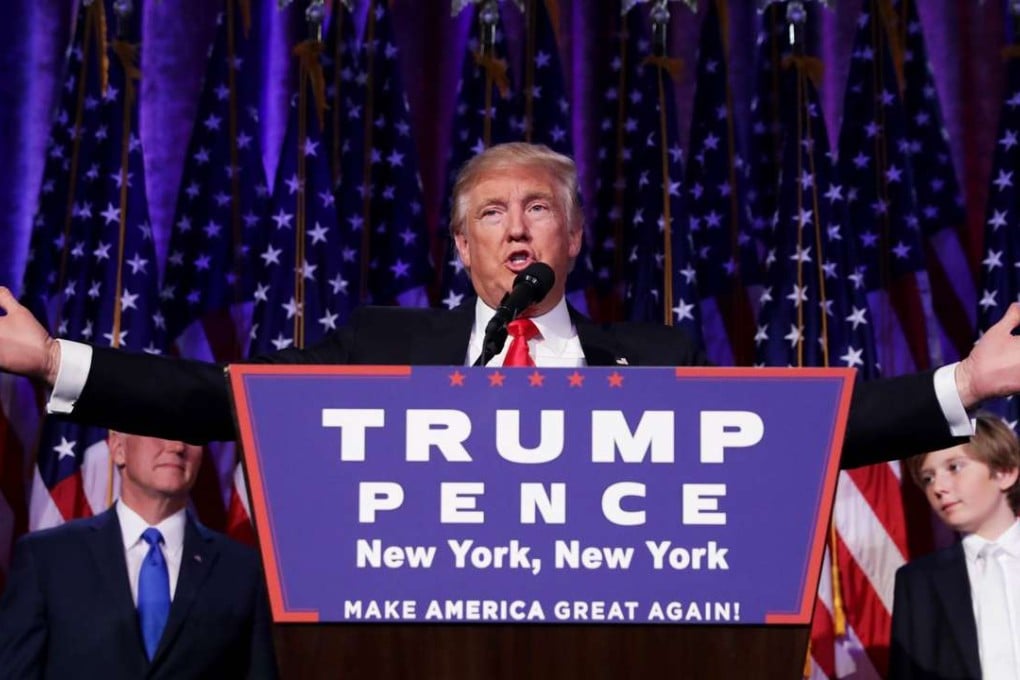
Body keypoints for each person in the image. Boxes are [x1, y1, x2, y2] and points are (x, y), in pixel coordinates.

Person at [0, 142, 1018, 465]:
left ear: (574, 237)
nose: (519, 228)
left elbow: (804, 430)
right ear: (460, 243)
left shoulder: (656, 354)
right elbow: (219, 400)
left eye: (540, 208)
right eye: (492, 211)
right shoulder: (381, 345)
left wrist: (963, 383)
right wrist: (57, 363)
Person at [0, 432, 278, 679]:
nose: (177, 445)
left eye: (191, 433)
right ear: (118, 447)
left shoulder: (242, 570)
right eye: (160, 429)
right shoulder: (48, 559)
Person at [889, 414, 1020, 679]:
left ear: (1004, 472)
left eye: (955, 467)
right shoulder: (918, 582)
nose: (938, 487)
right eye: (928, 478)